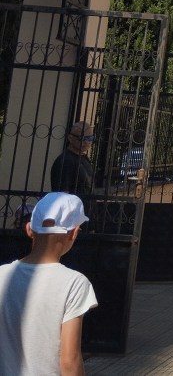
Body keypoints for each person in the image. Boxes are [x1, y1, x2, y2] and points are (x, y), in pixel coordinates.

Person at [0, 192, 97, 375]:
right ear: (74, 232)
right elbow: (69, 361)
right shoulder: (74, 283)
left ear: (29, 229)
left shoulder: (2, 274)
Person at [50, 122, 95, 197]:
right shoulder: (65, 161)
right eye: (82, 138)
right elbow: (62, 194)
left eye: (90, 138)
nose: (86, 142)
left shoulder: (84, 158)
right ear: (70, 138)